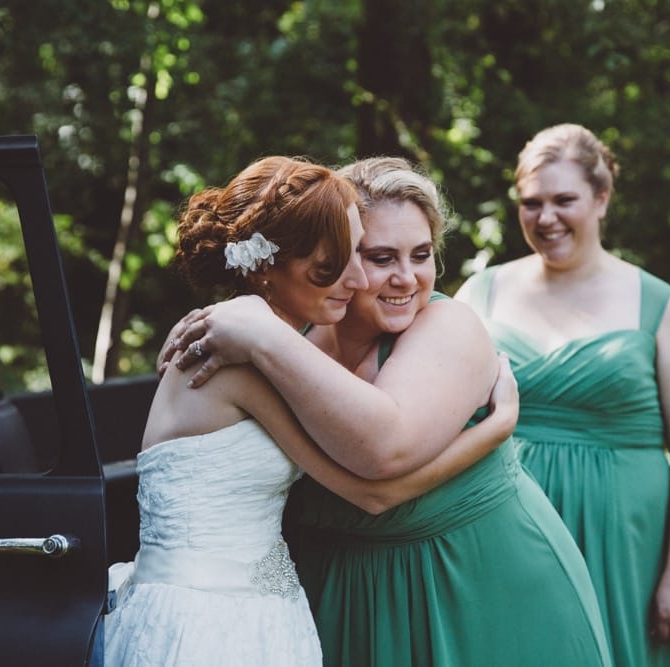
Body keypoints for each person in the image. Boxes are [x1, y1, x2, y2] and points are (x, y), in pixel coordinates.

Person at [164, 157, 612, 666]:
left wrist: (260, 333)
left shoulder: (449, 326)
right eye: (380, 257)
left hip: (477, 583)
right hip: (339, 592)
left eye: (421, 255)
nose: (406, 278)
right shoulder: (295, 334)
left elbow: (383, 450)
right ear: (337, 257)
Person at [103, 156, 519, 666]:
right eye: (333, 264)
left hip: (242, 605)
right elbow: (369, 489)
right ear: (268, 265)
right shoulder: (246, 355)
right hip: (210, 620)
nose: (352, 279)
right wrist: (495, 429)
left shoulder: (253, 339)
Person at [455, 123, 670, 667]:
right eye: (531, 203)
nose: (545, 218)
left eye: (563, 200)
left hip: (623, 539)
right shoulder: (483, 293)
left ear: (601, 199)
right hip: (502, 524)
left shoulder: (658, 303)